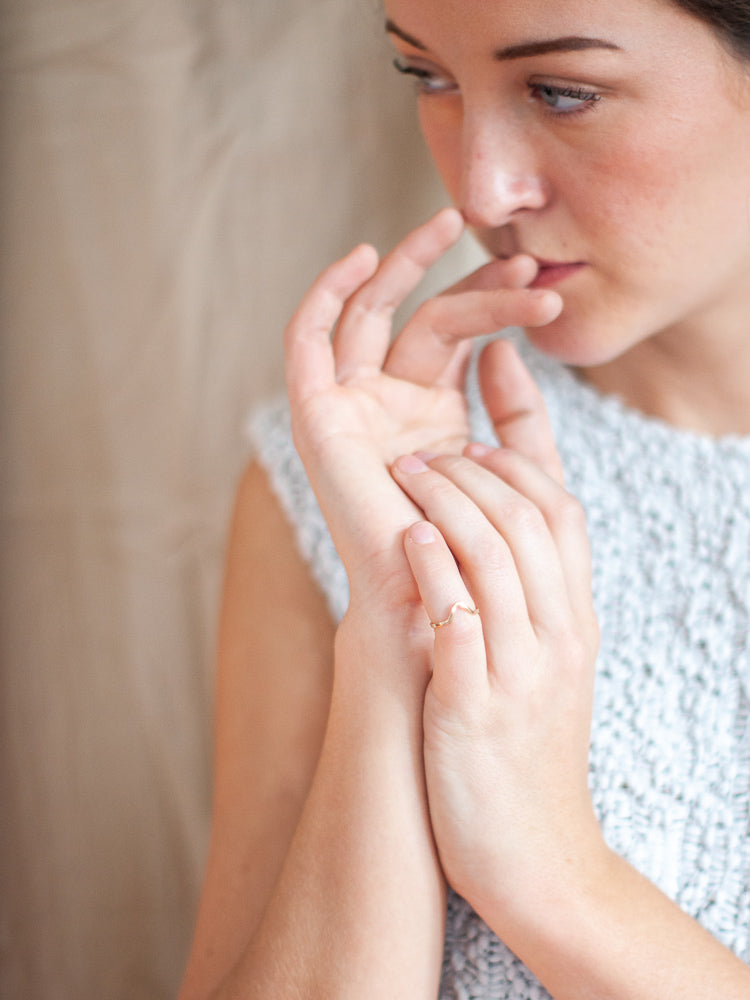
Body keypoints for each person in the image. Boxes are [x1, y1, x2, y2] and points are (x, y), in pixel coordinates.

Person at [178, 0, 750, 997]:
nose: (484, 187)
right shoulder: (347, 477)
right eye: (427, 77)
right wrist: (397, 632)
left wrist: (551, 874)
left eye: (563, 91)